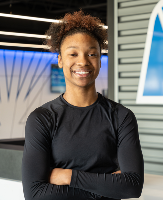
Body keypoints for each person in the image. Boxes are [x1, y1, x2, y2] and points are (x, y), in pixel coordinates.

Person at [22, 10, 144, 200]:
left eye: (92, 54)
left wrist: (67, 176)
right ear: (60, 61)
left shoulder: (122, 116)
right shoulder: (42, 119)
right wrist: (106, 186)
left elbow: (132, 187)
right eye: (73, 53)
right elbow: (35, 194)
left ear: (100, 60)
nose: (83, 61)